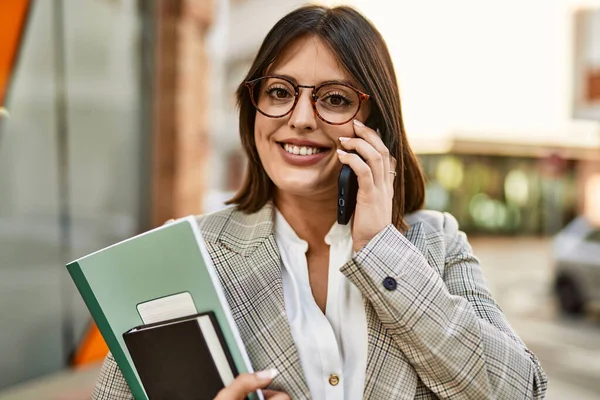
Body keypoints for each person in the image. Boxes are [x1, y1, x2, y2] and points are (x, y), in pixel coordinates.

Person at [92, 5, 548, 399]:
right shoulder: (184, 256)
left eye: (334, 99)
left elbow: (519, 391)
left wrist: (380, 247)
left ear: (375, 122)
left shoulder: (436, 242)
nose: (302, 119)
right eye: (279, 92)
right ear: (254, 109)